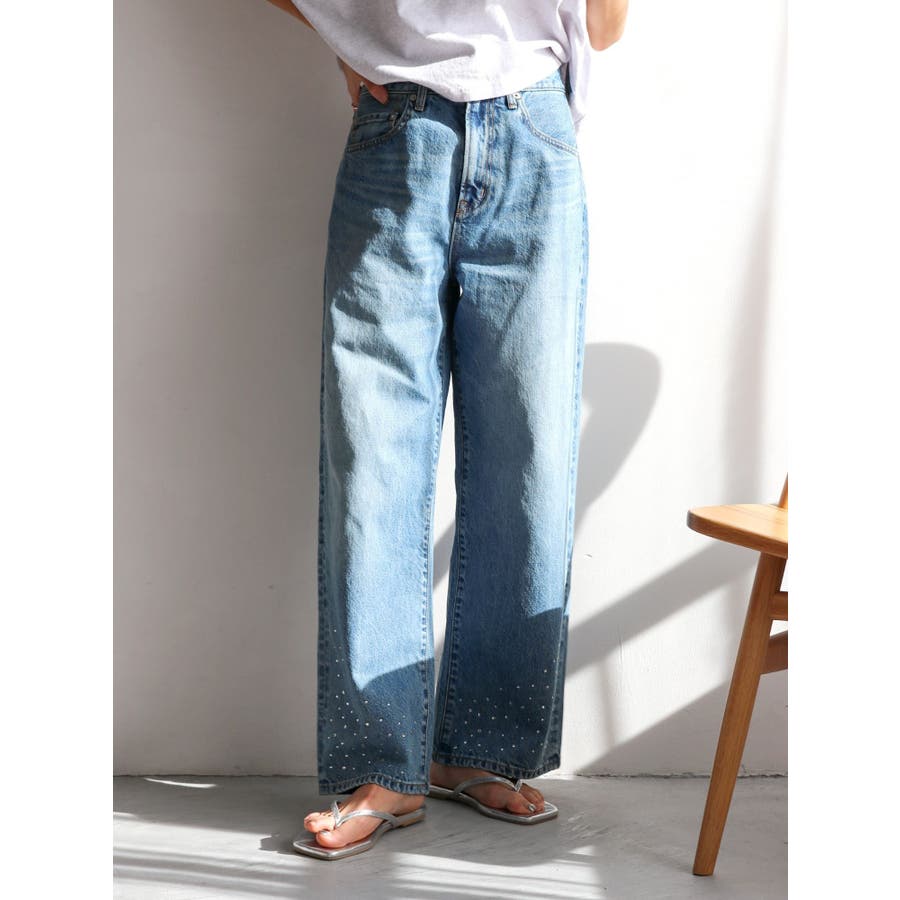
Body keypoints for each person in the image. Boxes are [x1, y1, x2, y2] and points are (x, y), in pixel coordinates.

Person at [262, 0, 628, 860]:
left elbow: (606, 28)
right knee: (372, 465)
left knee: (529, 464)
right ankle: (380, 767)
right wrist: (343, 40)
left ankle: (483, 751)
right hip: (398, 130)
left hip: (534, 131)